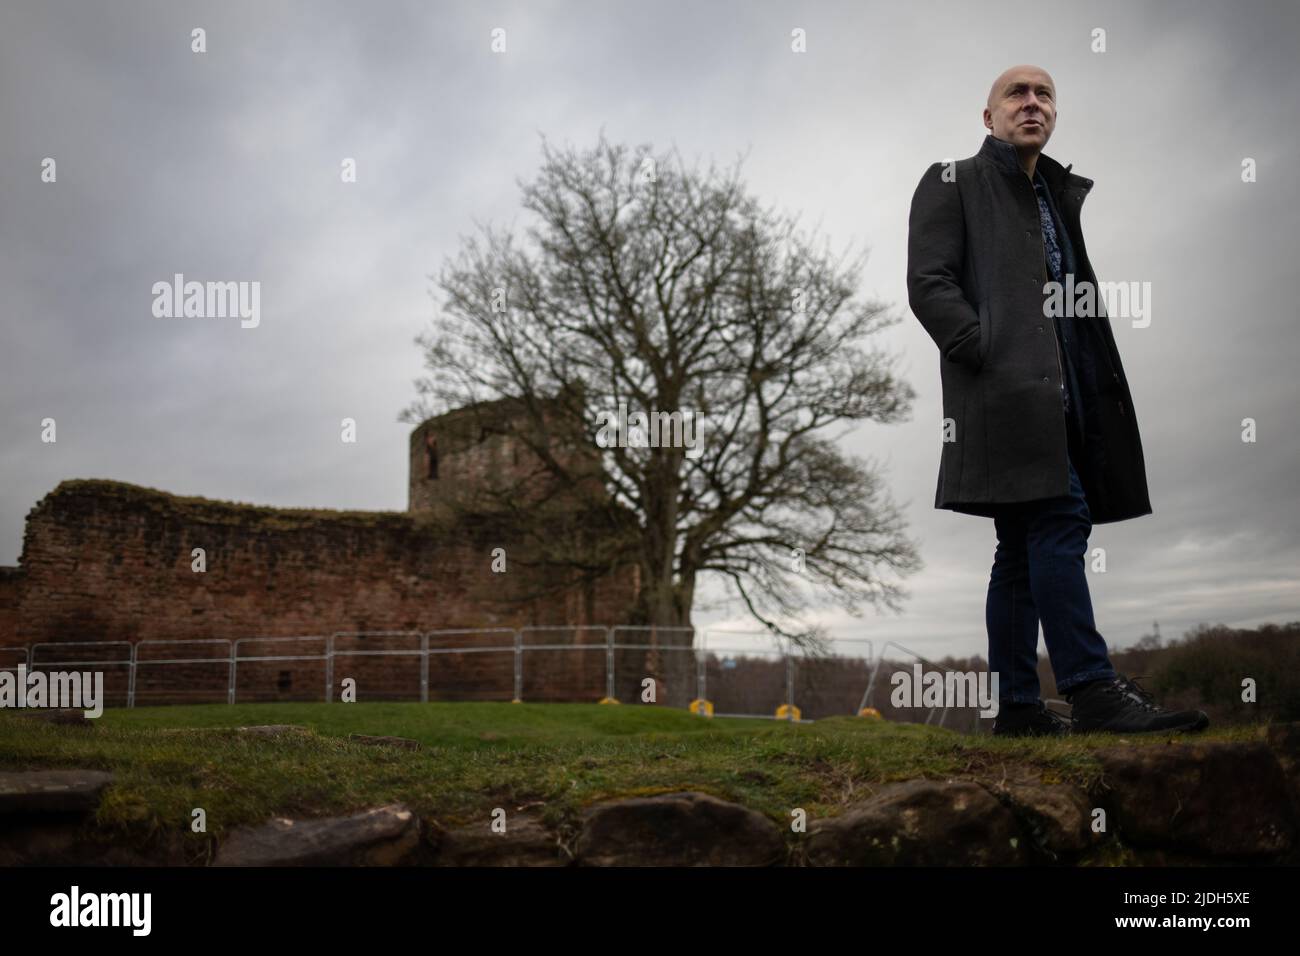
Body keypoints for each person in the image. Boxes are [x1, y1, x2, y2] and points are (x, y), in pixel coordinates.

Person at [906, 64, 1208, 736]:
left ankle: (1016, 707)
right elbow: (929, 284)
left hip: (1066, 397)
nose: (1032, 103)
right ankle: (1091, 686)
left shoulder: (1055, 196)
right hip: (1003, 395)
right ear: (989, 117)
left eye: (1044, 95)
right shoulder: (952, 181)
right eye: (1017, 94)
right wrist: (986, 350)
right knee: (1062, 518)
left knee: (1018, 548)